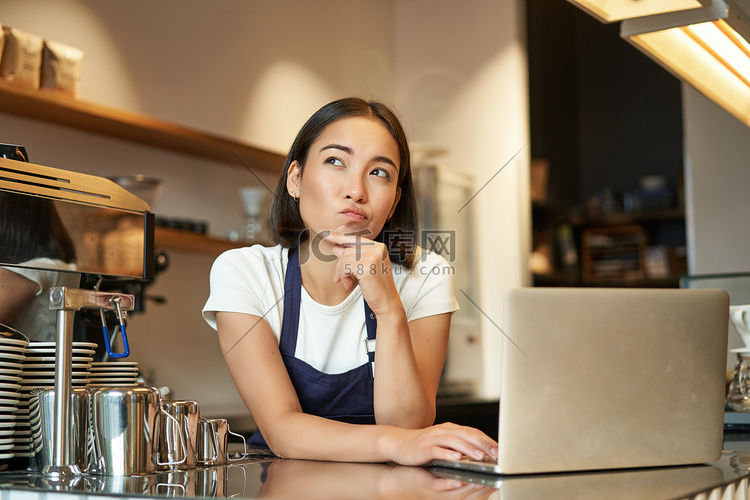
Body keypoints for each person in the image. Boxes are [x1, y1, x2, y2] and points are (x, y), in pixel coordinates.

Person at [202, 97, 498, 465]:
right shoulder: (245, 272)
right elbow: (282, 430)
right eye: (335, 161)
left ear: (393, 204)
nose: (356, 190)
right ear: (295, 179)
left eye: (379, 173)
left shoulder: (425, 275)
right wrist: (393, 444)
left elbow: (407, 424)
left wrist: (388, 307)